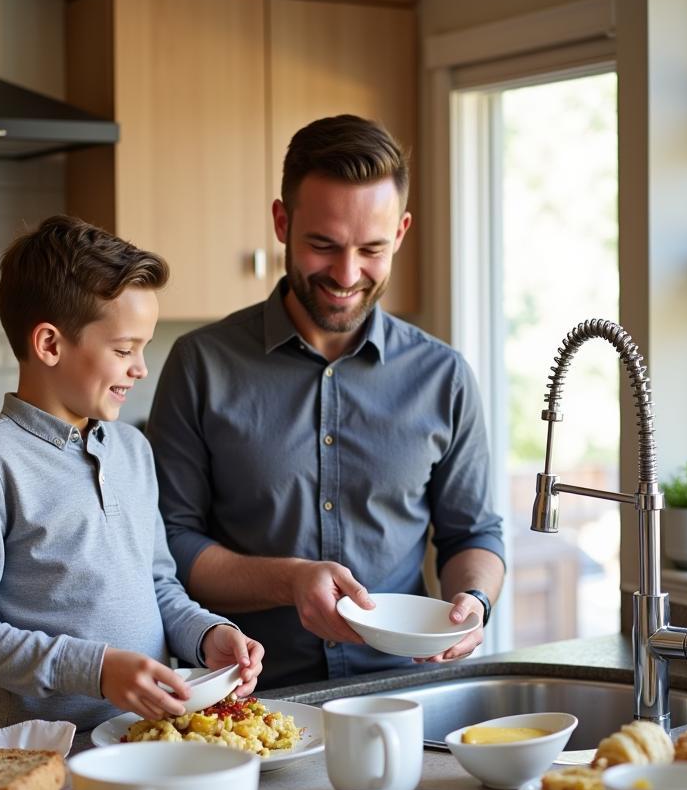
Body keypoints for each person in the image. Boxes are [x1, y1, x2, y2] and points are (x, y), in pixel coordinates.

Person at [146, 114, 505, 690]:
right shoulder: (200, 365)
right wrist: (288, 580)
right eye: (323, 245)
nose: (346, 274)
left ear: (403, 232)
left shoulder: (445, 376)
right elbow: (171, 544)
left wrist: (474, 601)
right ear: (282, 222)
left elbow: (474, 536)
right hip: (251, 699)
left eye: (372, 249)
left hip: (404, 694)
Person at [0, 214, 264, 732]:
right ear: (50, 345)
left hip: (147, 739)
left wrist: (205, 634)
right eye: (125, 349)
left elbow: (159, 586)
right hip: (41, 752)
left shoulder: (132, 448)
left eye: (143, 349)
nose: (141, 368)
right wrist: (96, 670)